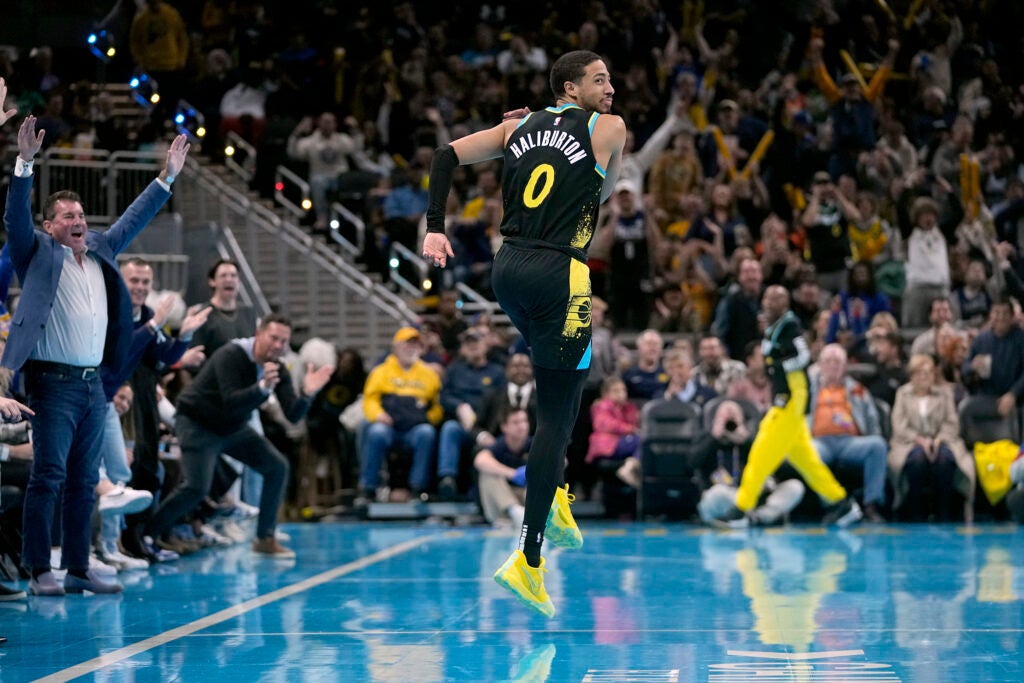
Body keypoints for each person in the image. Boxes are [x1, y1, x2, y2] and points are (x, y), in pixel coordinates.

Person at [422, 50, 626, 617]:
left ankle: (557, 499)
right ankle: (529, 558)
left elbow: (444, 156)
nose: (611, 89)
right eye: (599, 80)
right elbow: (599, 195)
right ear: (570, 86)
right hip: (561, 271)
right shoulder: (609, 128)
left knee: (554, 391)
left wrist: (435, 230)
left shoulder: (517, 126)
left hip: (506, 269)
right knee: (558, 414)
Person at [5, 112, 189, 596]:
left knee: (86, 480)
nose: (79, 220)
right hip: (52, 382)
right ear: (50, 226)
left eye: (81, 214)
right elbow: (15, 220)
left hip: (92, 384)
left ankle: (81, 569)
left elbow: (135, 217)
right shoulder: (36, 253)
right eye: (68, 216)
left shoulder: (104, 247)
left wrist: (166, 176)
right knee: (49, 476)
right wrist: (24, 165)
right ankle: (40, 568)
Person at [144, 315, 332, 559]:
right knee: (196, 487)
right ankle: (147, 534)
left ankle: (265, 538)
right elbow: (230, 401)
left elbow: (293, 415)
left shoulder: (278, 368)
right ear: (259, 333)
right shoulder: (231, 354)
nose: (278, 345)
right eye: (273, 338)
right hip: (197, 422)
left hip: (230, 427)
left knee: (277, 467)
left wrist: (307, 393)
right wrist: (262, 387)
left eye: (283, 341)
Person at [727, 286, 863, 528]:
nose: (769, 302)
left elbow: (803, 357)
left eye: (777, 298)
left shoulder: (791, 326)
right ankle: (841, 502)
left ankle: (742, 507)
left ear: (786, 303)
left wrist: (779, 366)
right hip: (783, 393)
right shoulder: (772, 327)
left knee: (761, 451)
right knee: (806, 459)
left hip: (792, 394)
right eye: (768, 297)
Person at [889, 354, 975, 522]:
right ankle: (916, 512)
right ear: (912, 375)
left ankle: (944, 512)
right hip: (908, 442)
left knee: (944, 459)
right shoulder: (902, 393)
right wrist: (919, 440)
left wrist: (938, 440)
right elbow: (899, 425)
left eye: (928, 372)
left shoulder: (944, 394)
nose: (924, 376)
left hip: (943, 440)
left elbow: (952, 423)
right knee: (917, 460)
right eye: (919, 373)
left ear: (934, 375)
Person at [474, 408, 533, 528]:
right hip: (502, 509)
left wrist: (533, 469)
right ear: (504, 427)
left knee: (543, 474)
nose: (522, 426)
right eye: (516, 422)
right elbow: (480, 460)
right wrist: (513, 473)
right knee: (487, 473)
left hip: (527, 503)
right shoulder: (500, 445)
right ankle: (514, 511)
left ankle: (531, 514)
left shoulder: (535, 444)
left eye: (524, 421)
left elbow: (562, 461)